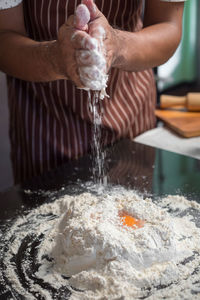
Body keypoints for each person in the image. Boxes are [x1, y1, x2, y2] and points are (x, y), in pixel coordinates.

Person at [0, 0, 186, 184]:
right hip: (43, 118)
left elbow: (168, 24)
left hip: (128, 107)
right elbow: (4, 35)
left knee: (131, 209)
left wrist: (117, 45)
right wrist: (54, 59)